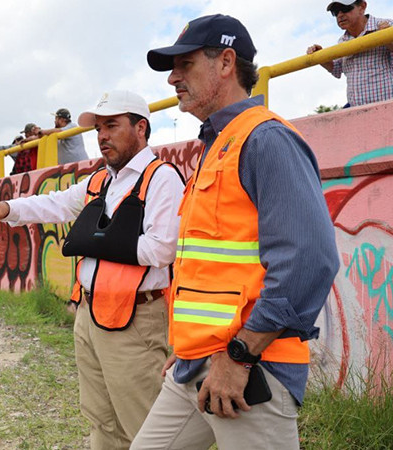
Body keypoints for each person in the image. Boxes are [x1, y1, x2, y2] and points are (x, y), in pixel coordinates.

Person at [133, 14, 340, 449]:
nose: (173, 78)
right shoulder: (215, 146)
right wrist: (192, 343)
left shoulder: (266, 139)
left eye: (184, 65)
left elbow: (309, 259)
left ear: (226, 62)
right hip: (197, 364)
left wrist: (240, 354)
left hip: (248, 370)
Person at [0, 90, 185, 449]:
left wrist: (97, 241)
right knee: (101, 419)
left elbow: (163, 248)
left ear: (141, 127)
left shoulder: (161, 178)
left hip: (136, 320)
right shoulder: (103, 180)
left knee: (144, 426)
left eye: (112, 126)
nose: (102, 136)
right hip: (89, 315)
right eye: (98, 128)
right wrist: (6, 208)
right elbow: (56, 203)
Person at [307, 1, 393, 107]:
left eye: (345, 8)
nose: (340, 15)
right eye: (335, 12)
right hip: (357, 111)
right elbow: (336, 69)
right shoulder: (343, 41)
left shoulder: (387, 27)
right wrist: (320, 57)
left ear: (362, 7)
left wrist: (386, 38)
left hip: (387, 106)